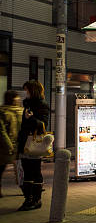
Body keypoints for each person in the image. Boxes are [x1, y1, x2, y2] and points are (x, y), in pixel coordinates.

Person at [16, 81, 49, 211]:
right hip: (24, 142)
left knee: (35, 172)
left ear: (33, 91)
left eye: (27, 90)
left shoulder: (42, 105)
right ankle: (28, 199)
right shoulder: (25, 104)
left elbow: (43, 125)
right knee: (26, 172)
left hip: (35, 143)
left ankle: (36, 199)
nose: (25, 93)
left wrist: (31, 119)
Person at [0, 91, 23, 197]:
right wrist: (9, 145)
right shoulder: (3, 112)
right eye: (16, 98)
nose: (18, 99)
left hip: (19, 144)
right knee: (1, 168)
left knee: (21, 167)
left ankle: (25, 189)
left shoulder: (21, 111)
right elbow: (2, 131)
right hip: (5, 146)